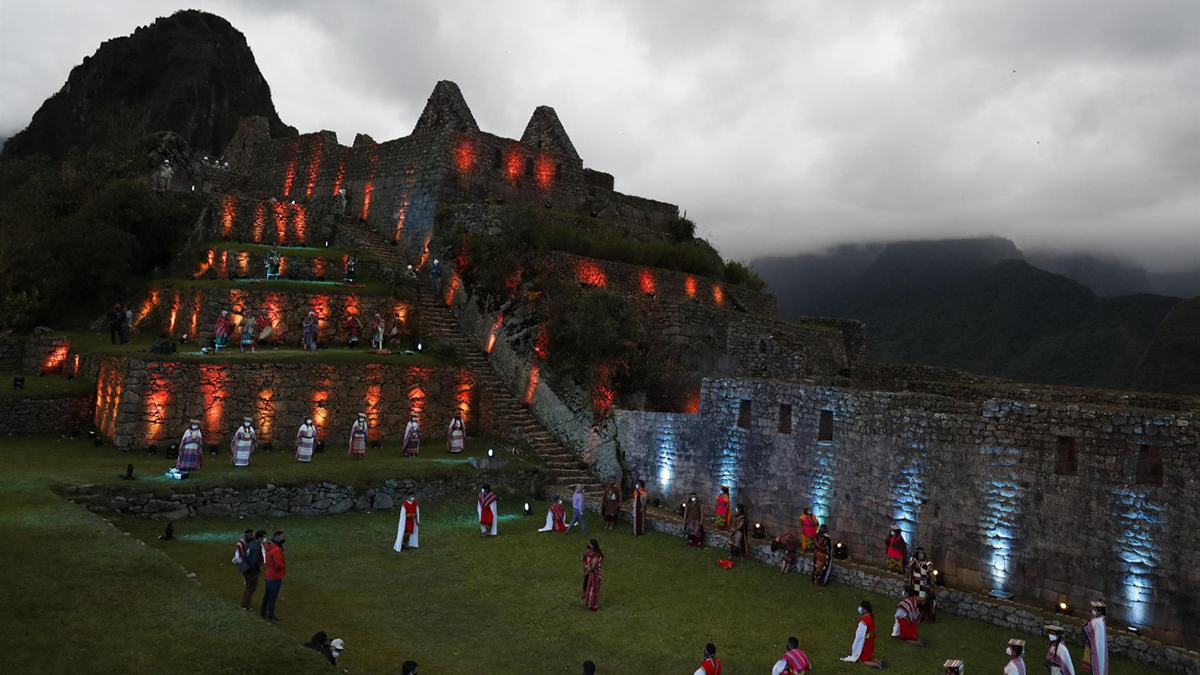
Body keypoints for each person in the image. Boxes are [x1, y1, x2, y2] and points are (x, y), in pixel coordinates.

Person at [841, 600, 886, 668]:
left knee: (863, 661)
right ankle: (879, 661)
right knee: (869, 657)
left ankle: (877, 665)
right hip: (871, 641)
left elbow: (860, 635)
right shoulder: (870, 616)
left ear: (865, 609)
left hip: (866, 643)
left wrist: (856, 646)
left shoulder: (864, 620)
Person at [236, 530, 266, 611]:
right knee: (251, 589)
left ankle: (244, 603)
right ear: (260, 538)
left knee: (248, 587)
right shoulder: (257, 546)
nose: (265, 539)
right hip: (251, 571)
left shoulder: (250, 544)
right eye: (264, 537)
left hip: (245, 568)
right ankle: (246, 606)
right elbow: (254, 561)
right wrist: (256, 571)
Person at [261, 530, 286, 622]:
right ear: (277, 538)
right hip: (275, 577)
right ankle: (271, 616)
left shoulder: (269, 547)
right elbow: (278, 564)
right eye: (282, 537)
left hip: (268, 575)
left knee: (267, 596)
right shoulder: (277, 550)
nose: (283, 539)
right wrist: (284, 565)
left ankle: (263, 612)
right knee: (272, 598)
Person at [909, 546, 936, 621]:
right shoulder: (912, 561)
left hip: (923, 584)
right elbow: (908, 572)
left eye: (922, 554)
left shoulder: (928, 564)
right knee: (914, 600)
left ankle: (923, 616)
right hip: (914, 584)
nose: (921, 555)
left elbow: (931, 575)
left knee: (923, 601)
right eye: (919, 553)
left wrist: (931, 585)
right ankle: (914, 615)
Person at [1082, 602, 1108, 675]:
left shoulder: (1096, 622)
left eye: (1095, 609)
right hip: (1099, 646)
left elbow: (1086, 630)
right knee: (1100, 663)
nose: (1093, 611)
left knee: (1095, 663)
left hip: (1095, 647)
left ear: (1099, 610)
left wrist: (1086, 624)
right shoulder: (1102, 620)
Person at [581, 538, 603, 611]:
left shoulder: (596, 556)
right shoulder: (589, 553)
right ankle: (589, 602)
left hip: (595, 575)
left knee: (594, 590)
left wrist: (586, 572)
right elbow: (584, 560)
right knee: (588, 587)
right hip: (590, 574)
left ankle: (594, 605)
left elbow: (593, 567)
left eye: (589, 545)